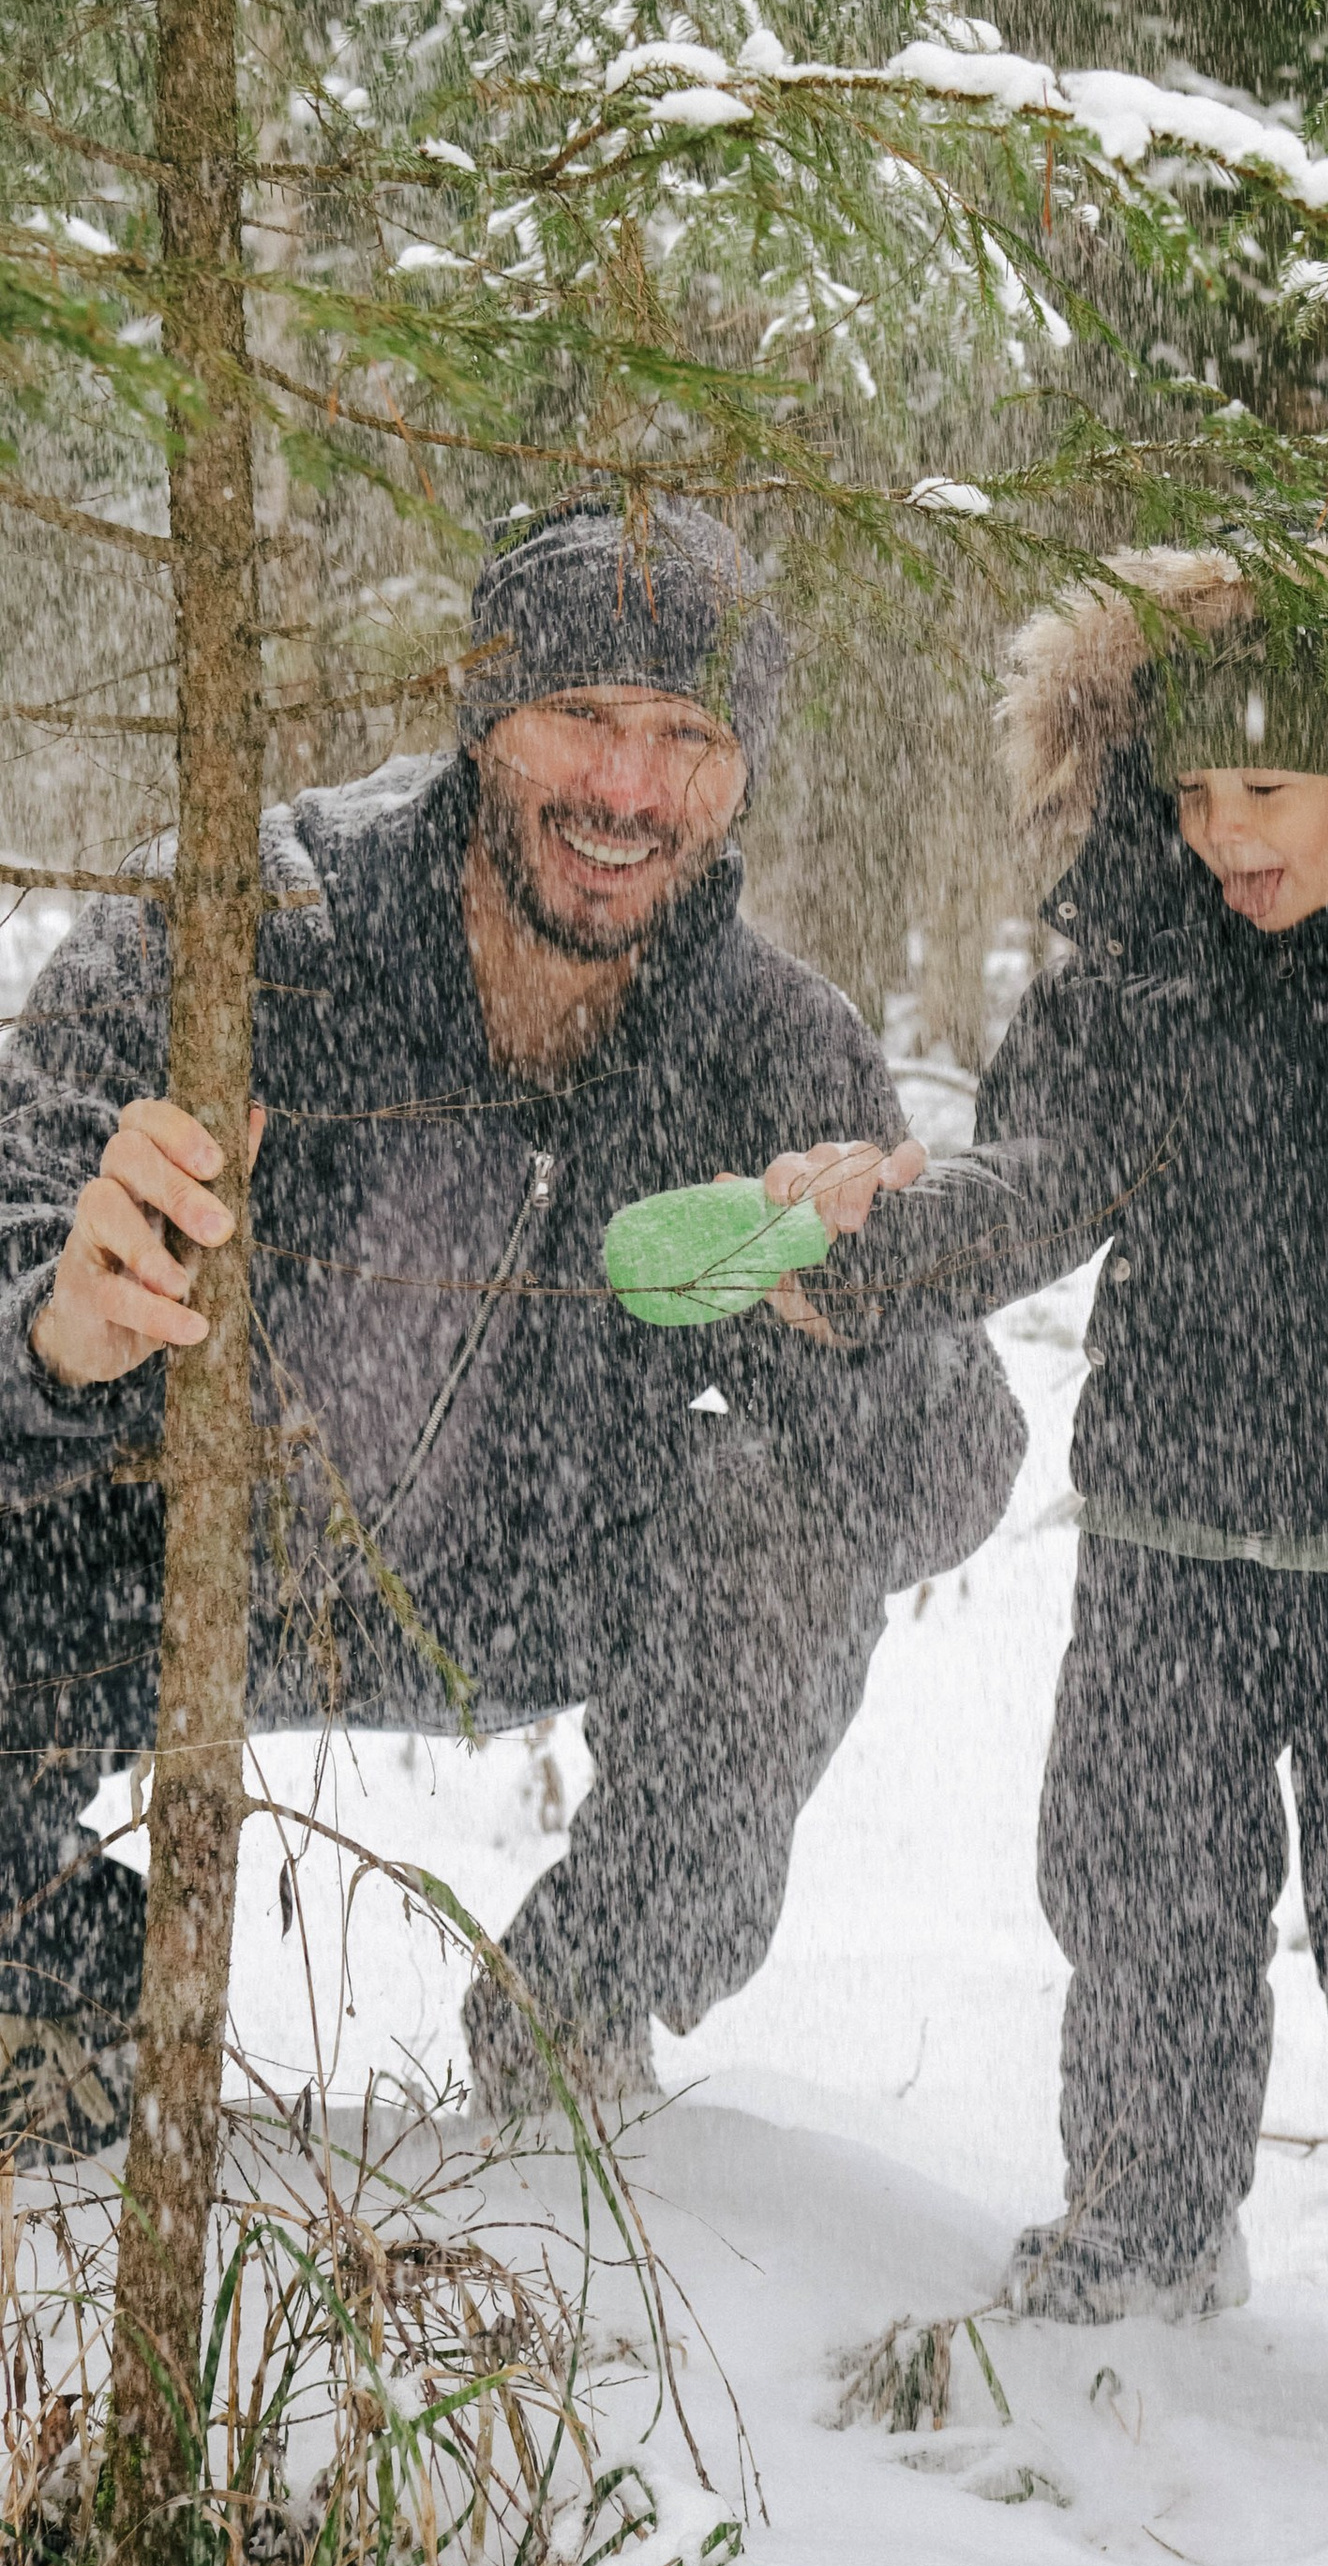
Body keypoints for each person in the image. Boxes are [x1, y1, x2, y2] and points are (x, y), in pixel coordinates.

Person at [0, 499, 1024, 2144]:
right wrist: (55, 1328)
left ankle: (580, 2001)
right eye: (581, 718)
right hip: (171, 1555)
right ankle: (45, 1991)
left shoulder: (771, 1044)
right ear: (485, 720)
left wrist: (847, 1326)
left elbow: (959, 1471)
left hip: (525, 1583)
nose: (626, 791)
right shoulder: (244, 928)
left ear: (742, 769)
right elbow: (18, 1224)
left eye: (683, 734)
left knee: (778, 1538)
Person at [791, 549, 1328, 2469]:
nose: (1224, 837)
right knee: (1142, 1884)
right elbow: (1039, 1185)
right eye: (1193, 796)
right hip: (1167, 1536)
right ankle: (1151, 2210)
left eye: (1269, 795)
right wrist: (878, 1241)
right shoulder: (1136, 988)